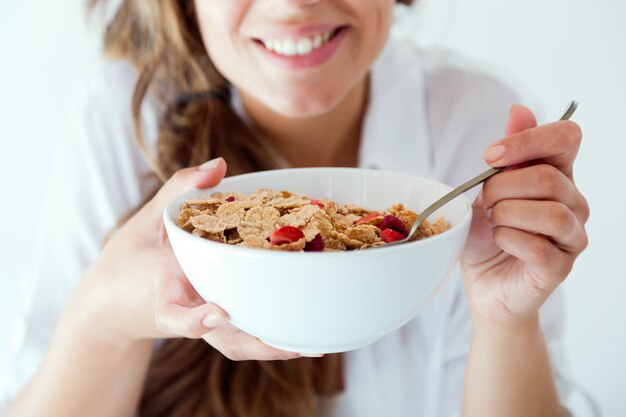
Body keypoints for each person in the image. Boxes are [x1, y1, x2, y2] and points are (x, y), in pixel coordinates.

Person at [2, 0, 591, 416]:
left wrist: (506, 321)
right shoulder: (123, 123)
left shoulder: (474, 129)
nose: (294, 3)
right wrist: (107, 316)